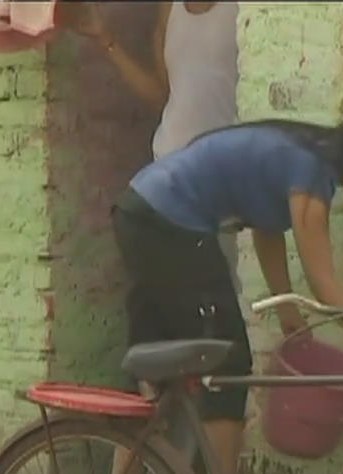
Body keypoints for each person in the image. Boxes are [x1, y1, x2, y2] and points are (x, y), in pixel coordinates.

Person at [108, 103, 343, 474]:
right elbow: (325, 284)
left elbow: (267, 227)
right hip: (172, 224)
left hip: (141, 211)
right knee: (227, 364)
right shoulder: (312, 171)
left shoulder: (307, 153)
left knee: (151, 365)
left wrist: (286, 311)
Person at [73, 1, 242, 292]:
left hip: (225, 173)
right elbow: (160, 95)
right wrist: (106, 40)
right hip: (170, 163)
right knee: (176, 287)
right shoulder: (170, 8)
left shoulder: (242, 10)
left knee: (226, 287)